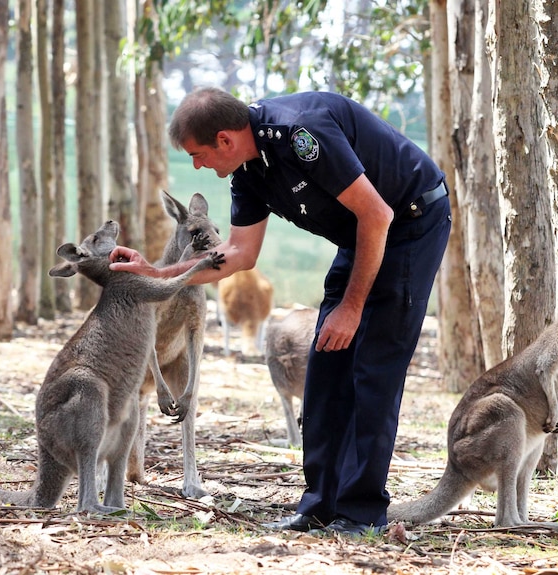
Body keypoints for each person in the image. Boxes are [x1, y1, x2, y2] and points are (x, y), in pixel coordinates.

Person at [109, 86, 451, 536]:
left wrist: (351, 307)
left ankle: (362, 512)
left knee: (373, 368)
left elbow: (377, 215)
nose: (197, 166)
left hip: (408, 223)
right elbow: (237, 253)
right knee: (327, 363)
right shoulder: (249, 172)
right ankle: (320, 505)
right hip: (362, 234)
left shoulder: (300, 134)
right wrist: (155, 273)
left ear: (225, 140)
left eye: (198, 154)